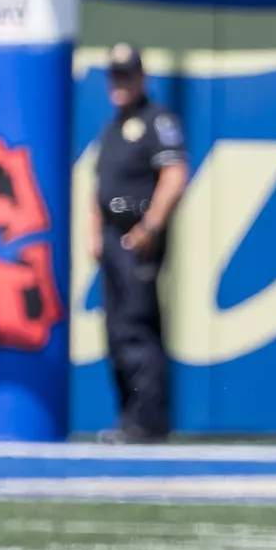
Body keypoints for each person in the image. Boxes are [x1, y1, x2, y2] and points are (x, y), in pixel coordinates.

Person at [90, 42, 189, 444]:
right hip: (113, 236)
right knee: (116, 330)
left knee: (136, 327)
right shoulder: (113, 127)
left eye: (126, 75)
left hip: (137, 235)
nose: (119, 83)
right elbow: (98, 187)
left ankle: (147, 422)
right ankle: (129, 418)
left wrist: (150, 228)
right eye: (114, 75)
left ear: (141, 77)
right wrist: (93, 230)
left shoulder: (157, 120)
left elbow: (175, 174)